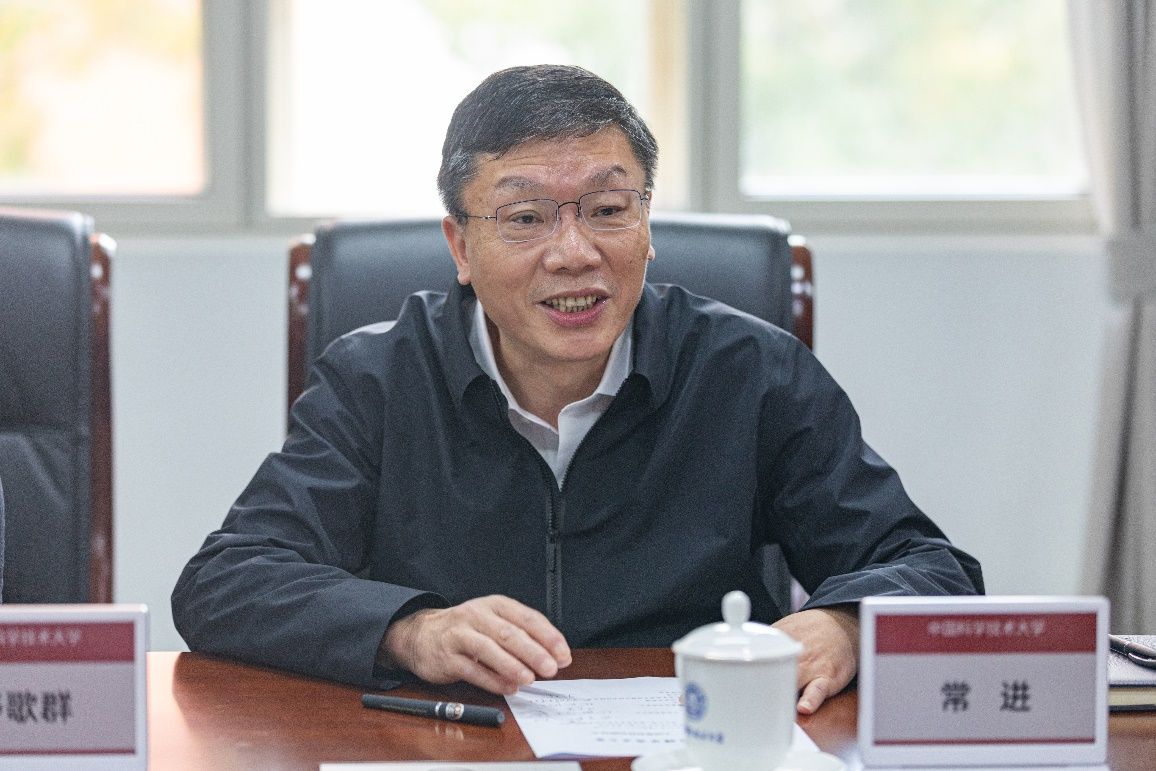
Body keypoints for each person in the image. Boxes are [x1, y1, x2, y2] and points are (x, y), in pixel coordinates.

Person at [173, 64, 982, 715]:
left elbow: (930, 566)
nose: (574, 253)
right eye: (525, 217)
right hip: (458, 741)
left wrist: (846, 623)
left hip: (694, 739)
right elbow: (225, 581)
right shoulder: (377, 379)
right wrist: (412, 630)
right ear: (460, 245)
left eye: (606, 208)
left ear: (647, 224)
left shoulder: (750, 370)